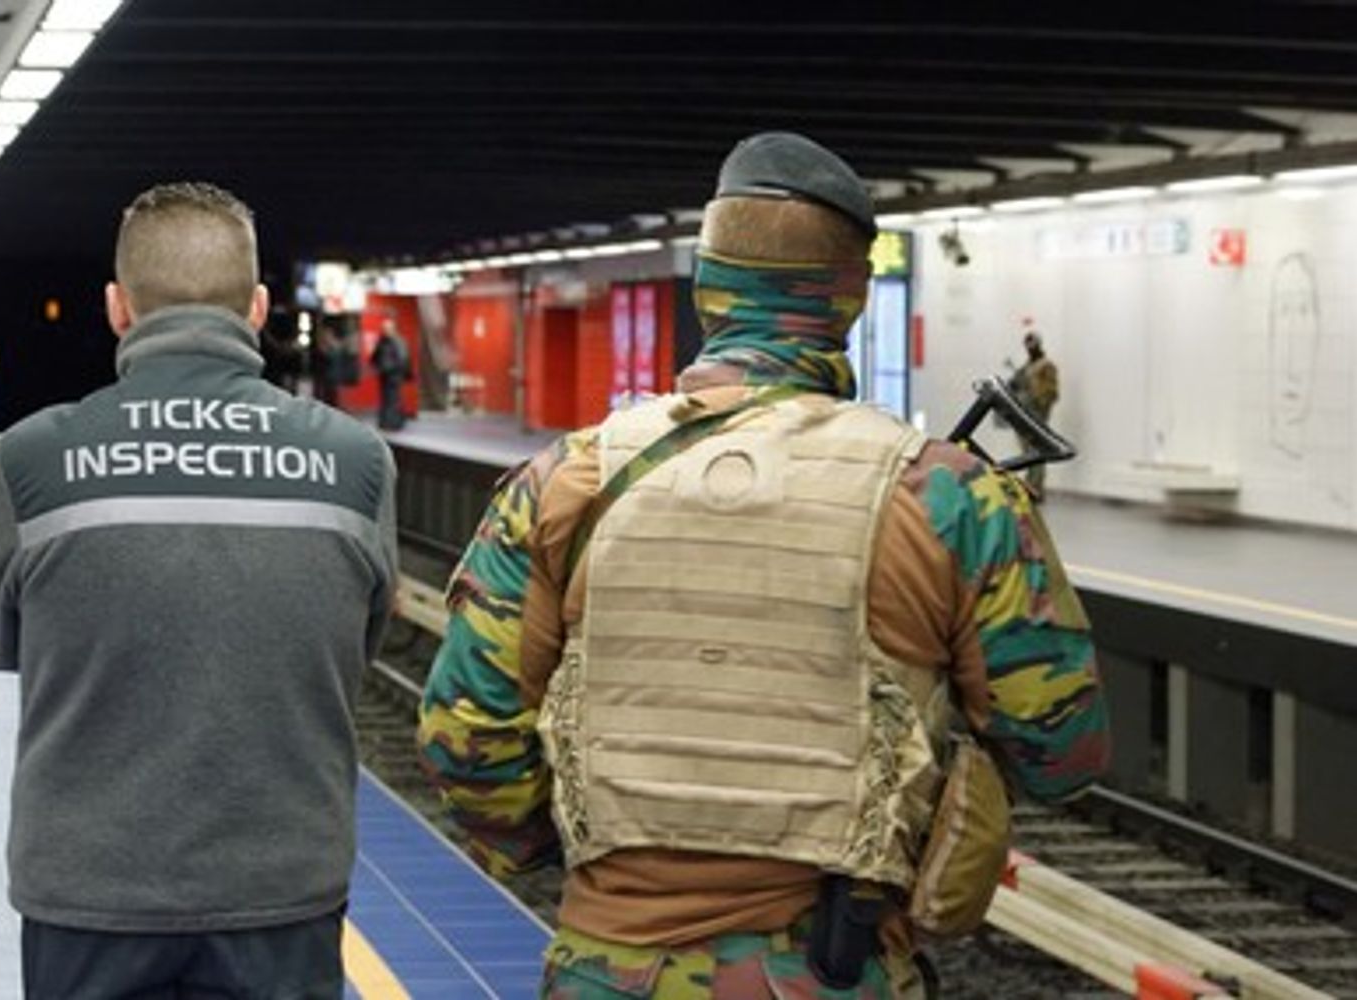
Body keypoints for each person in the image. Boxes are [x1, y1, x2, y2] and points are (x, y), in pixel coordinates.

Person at [419, 132, 1109, 999]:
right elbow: (1063, 752)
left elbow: (466, 738)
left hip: (609, 967)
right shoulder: (952, 498)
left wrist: (598, 867)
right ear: (851, 299)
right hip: (835, 968)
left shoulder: (567, 481)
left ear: (707, 291)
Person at [0, 182, 398, 999]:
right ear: (256, 308)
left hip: (89, 893)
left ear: (118, 308)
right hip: (283, 887)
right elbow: (360, 637)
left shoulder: (29, 460)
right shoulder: (355, 463)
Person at [1010, 327, 1059, 497]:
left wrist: (1036, 396)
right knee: (1027, 453)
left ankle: (1036, 487)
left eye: (1032, 344)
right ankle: (1030, 484)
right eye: (1027, 344)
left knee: (1036, 452)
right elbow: (1015, 385)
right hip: (1023, 414)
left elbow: (1051, 393)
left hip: (1037, 415)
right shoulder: (1026, 366)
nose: (1029, 348)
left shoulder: (1047, 366)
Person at [370, 316, 412, 430]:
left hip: (394, 375)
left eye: (387, 328)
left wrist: (389, 368)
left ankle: (394, 423)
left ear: (393, 329)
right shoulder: (382, 341)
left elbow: (402, 359)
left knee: (393, 399)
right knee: (386, 399)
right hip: (385, 375)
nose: (385, 330)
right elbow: (374, 356)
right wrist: (377, 366)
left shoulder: (398, 342)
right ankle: (386, 422)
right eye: (384, 328)